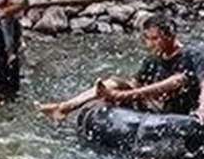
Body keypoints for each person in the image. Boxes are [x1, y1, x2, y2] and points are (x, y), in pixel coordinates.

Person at [38, 15, 204, 122]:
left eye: (155, 39)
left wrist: (201, 113)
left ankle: (117, 94)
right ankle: (65, 107)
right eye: (147, 39)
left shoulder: (193, 54)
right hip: (155, 108)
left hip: (182, 110)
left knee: (178, 79)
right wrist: (113, 94)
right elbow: (136, 83)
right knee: (113, 82)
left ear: (170, 36)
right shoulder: (153, 58)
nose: (149, 44)